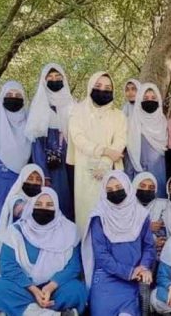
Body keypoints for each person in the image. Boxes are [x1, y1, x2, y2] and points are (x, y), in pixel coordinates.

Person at [0, 188, 86, 315]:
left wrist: (50, 287)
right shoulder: (16, 231)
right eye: (38, 205)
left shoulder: (69, 231)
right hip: (24, 288)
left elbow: (73, 266)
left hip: (55, 289)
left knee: (76, 290)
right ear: (31, 206)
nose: (43, 209)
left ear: (56, 208)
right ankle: (56, 314)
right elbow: (7, 265)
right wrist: (33, 289)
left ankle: (27, 312)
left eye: (50, 205)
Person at [81, 170, 155, 316]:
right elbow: (101, 256)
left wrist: (143, 267)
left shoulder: (141, 214)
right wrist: (128, 272)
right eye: (109, 190)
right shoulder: (99, 216)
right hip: (106, 278)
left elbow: (149, 246)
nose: (115, 192)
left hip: (134, 279)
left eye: (118, 187)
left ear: (127, 187)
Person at [67, 72, 127, 231]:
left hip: (110, 172)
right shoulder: (77, 112)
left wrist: (106, 163)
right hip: (85, 173)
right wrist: (105, 151)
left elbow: (120, 140)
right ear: (90, 87)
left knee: (111, 217)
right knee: (86, 216)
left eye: (108, 88)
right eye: (98, 86)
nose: (103, 90)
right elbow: (78, 139)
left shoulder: (118, 115)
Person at [0, 81, 31, 254]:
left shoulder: (29, 121)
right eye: (9, 96)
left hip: (26, 181)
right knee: (0, 219)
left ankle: (20, 261)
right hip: (0, 179)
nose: (14, 99)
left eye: (18, 96)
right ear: (2, 97)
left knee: (23, 217)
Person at [26, 63, 75, 220]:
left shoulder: (72, 104)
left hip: (72, 163)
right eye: (50, 78)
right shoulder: (39, 106)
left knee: (74, 204)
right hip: (52, 166)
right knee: (57, 202)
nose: (54, 80)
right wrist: (43, 174)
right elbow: (36, 144)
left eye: (58, 77)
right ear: (44, 81)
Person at [0, 164, 45, 276]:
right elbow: (20, 209)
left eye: (38, 179)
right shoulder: (15, 198)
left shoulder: (45, 199)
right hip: (18, 246)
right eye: (30, 178)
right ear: (22, 180)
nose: (34, 182)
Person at [125, 82, 167, 197]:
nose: (150, 100)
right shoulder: (133, 122)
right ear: (139, 100)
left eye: (153, 98)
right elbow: (129, 154)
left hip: (160, 176)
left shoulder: (163, 122)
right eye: (146, 98)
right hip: (139, 174)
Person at [133, 172, 167, 256]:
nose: (146, 190)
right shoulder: (127, 208)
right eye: (142, 186)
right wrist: (147, 228)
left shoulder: (164, 205)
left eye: (151, 187)